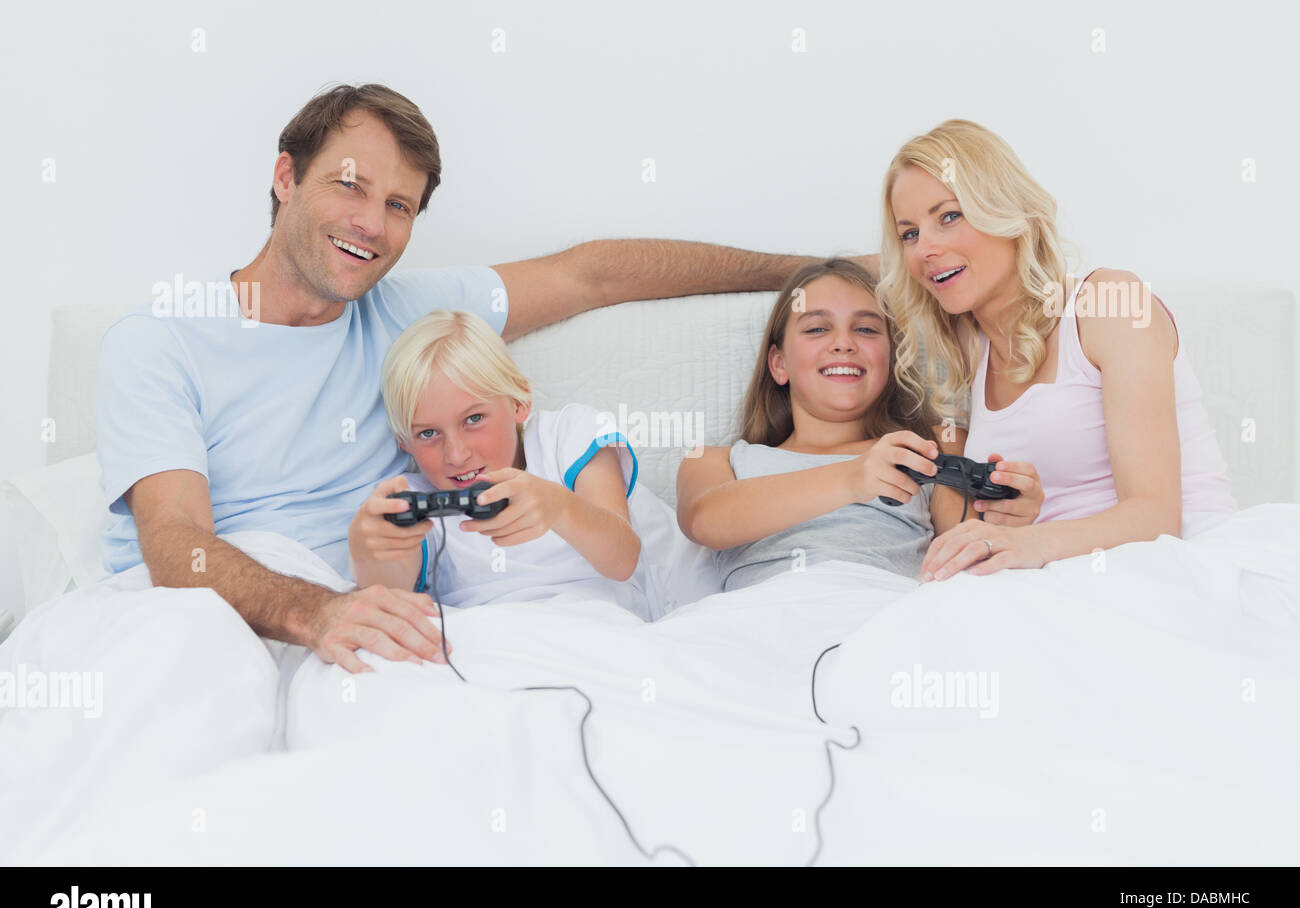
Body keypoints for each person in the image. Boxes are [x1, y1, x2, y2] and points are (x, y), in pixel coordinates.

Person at [94, 83, 878, 671]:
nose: (372, 223)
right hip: (222, 621)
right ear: (285, 177)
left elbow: (595, 275)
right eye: (349, 184)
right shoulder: (158, 339)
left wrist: (812, 274)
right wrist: (320, 614)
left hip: (375, 635)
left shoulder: (410, 315)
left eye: (399, 206)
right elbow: (177, 550)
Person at [878, 119, 1236, 583]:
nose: (925, 249)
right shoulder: (969, 345)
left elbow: (1156, 518)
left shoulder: (1109, 303)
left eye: (949, 216)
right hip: (1060, 579)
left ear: (1002, 211)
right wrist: (1005, 524)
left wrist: (1028, 543)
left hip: (1180, 568)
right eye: (909, 234)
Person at [675, 258, 1043, 590]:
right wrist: (853, 479)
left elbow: (964, 549)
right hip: (762, 619)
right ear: (779, 363)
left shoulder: (930, 446)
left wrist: (1009, 520)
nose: (843, 343)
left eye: (866, 330)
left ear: (890, 357)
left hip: (883, 618)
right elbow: (705, 522)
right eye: (817, 328)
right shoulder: (716, 460)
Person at [342, 311, 647, 672]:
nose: (456, 454)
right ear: (403, 443)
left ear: (519, 402)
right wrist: (370, 553)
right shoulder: (410, 499)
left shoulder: (567, 436)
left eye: (474, 419)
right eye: (428, 434)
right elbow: (391, 596)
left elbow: (623, 559)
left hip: (598, 634)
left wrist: (559, 507)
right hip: (488, 650)